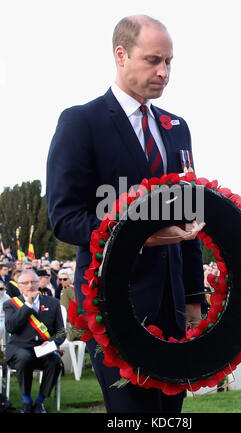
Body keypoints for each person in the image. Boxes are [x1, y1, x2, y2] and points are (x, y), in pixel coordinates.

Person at [47, 14, 205, 413]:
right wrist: (133, 233)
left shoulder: (176, 128)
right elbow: (65, 217)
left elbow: (187, 217)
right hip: (114, 306)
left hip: (171, 313)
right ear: (121, 54)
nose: (164, 72)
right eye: (153, 60)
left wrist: (191, 297)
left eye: (169, 61)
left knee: (168, 416)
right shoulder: (82, 122)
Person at [3, 270, 65, 413]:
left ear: (39, 283)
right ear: (19, 286)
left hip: (43, 349)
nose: (30, 286)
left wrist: (51, 343)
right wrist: (28, 305)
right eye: (25, 283)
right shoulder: (10, 304)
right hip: (20, 348)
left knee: (54, 362)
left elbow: (61, 331)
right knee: (24, 358)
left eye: (33, 282)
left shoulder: (53, 303)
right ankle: (26, 401)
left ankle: (40, 402)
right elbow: (11, 327)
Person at [0, 281, 10, 348]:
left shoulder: (7, 297)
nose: (0, 291)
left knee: (3, 326)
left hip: (4, 318)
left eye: (1, 289)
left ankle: (4, 347)